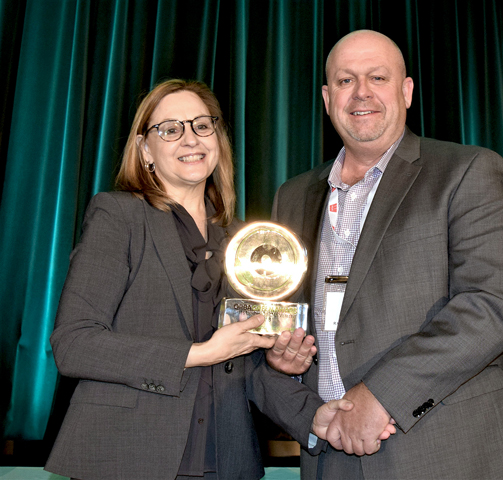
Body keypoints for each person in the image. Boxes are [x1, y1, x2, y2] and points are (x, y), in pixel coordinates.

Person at [44, 79, 354, 480]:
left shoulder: (247, 244)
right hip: (125, 458)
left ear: (218, 139)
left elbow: (249, 367)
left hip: (226, 462)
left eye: (201, 125)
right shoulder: (119, 217)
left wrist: (305, 401)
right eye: (170, 129)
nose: (190, 138)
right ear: (145, 150)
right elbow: (74, 344)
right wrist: (202, 352)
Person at [268, 30, 503, 479]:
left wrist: (381, 395)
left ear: (406, 91)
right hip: (330, 456)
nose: (362, 92)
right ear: (328, 98)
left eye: (377, 77)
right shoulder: (291, 196)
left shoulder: (465, 171)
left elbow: (492, 303)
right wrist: (283, 360)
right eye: (346, 81)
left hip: (444, 454)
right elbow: (278, 318)